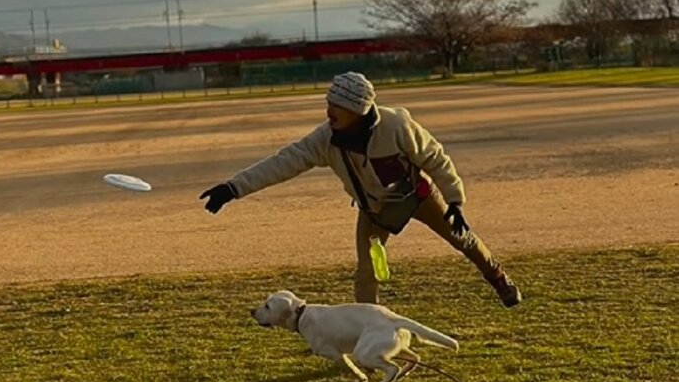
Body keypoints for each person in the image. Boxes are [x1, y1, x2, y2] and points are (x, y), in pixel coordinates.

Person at [200, 71, 522, 307]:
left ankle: (499, 278)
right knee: (366, 273)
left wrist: (454, 200)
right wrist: (233, 188)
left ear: (359, 109)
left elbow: (434, 158)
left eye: (337, 106)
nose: (329, 112)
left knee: (462, 239)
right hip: (374, 211)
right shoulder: (325, 139)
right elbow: (284, 162)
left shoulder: (397, 126)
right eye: (328, 103)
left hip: (418, 197)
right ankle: (372, 326)